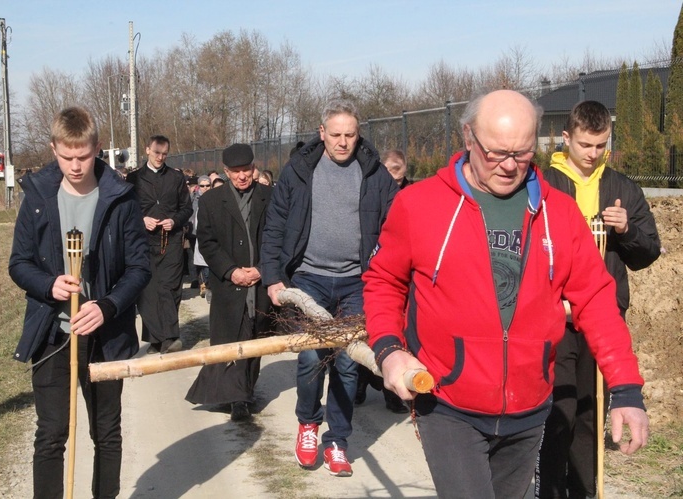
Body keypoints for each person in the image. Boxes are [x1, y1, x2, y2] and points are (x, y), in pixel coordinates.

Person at [362, 90, 649, 498]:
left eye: (523, 152)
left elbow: (598, 302)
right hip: (447, 402)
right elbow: (383, 281)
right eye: (496, 153)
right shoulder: (418, 205)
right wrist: (389, 350)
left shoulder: (561, 215)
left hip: (530, 408)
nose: (510, 166)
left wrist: (625, 388)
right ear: (468, 137)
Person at [9, 106, 151, 499]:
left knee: (106, 433)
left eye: (84, 156)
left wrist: (106, 306)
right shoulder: (38, 196)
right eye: (67, 156)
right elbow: (18, 263)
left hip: (106, 336)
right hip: (54, 333)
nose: (75, 165)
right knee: (52, 434)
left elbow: (140, 268)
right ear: (54, 148)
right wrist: (47, 284)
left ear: (98, 148)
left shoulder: (121, 198)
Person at [261, 99, 398, 476]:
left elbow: (397, 226)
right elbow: (275, 225)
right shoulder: (298, 171)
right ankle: (308, 423)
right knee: (308, 358)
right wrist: (273, 276)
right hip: (308, 279)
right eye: (335, 135)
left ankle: (337, 440)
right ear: (322, 133)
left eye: (349, 135)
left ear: (358, 133)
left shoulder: (375, 173)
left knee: (347, 362)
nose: (342, 142)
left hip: (357, 282)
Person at [536, 101, 661, 499]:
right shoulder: (542, 183)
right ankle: (550, 489)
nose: (593, 154)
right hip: (554, 318)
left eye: (601, 145)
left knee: (590, 413)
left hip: (602, 318)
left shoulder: (622, 187)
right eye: (586, 145)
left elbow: (648, 252)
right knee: (561, 411)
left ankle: (585, 491)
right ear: (566, 138)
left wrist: (627, 232)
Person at [185, 144, 273, 421]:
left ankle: (245, 390)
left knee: (255, 336)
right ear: (225, 172)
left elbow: (277, 239)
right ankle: (237, 399)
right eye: (235, 172)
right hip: (228, 284)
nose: (242, 176)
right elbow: (207, 243)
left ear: (254, 168)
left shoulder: (269, 197)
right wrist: (231, 271)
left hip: (259, 283)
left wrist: (262, 269)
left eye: (246, 170)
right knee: (229, 337)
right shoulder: (212, 201)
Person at [355, 149, 412, 414]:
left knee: (397, 329)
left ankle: (393, 394)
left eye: (397, 170)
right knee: (370, 330)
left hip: (403, 268)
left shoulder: (411, 196)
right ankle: (361, 382)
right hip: (375, 263)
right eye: (388, 169)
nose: (393, 175)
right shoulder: (372, 190)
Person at [126, 135, 193, 354]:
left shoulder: (176, 177)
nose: (160, 158)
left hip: (171, 241)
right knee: (147, 291)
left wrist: (174, 221)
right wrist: (141, 219)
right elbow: (126, 210)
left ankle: (171, 337)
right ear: (147, 150)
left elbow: (187, 208)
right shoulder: (133, 178)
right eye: (157, 153)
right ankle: (154, 338)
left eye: (164, 154)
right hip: (143, 242)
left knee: (169, 288)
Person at [192, 175, 212, 300]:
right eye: (202, 186)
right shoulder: (194, 198)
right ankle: (203, 283)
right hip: (196, 233)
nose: (205, 188)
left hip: (211, 234)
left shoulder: (215, 197)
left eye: (207, 185)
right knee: (201, 262)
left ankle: (208, 285)